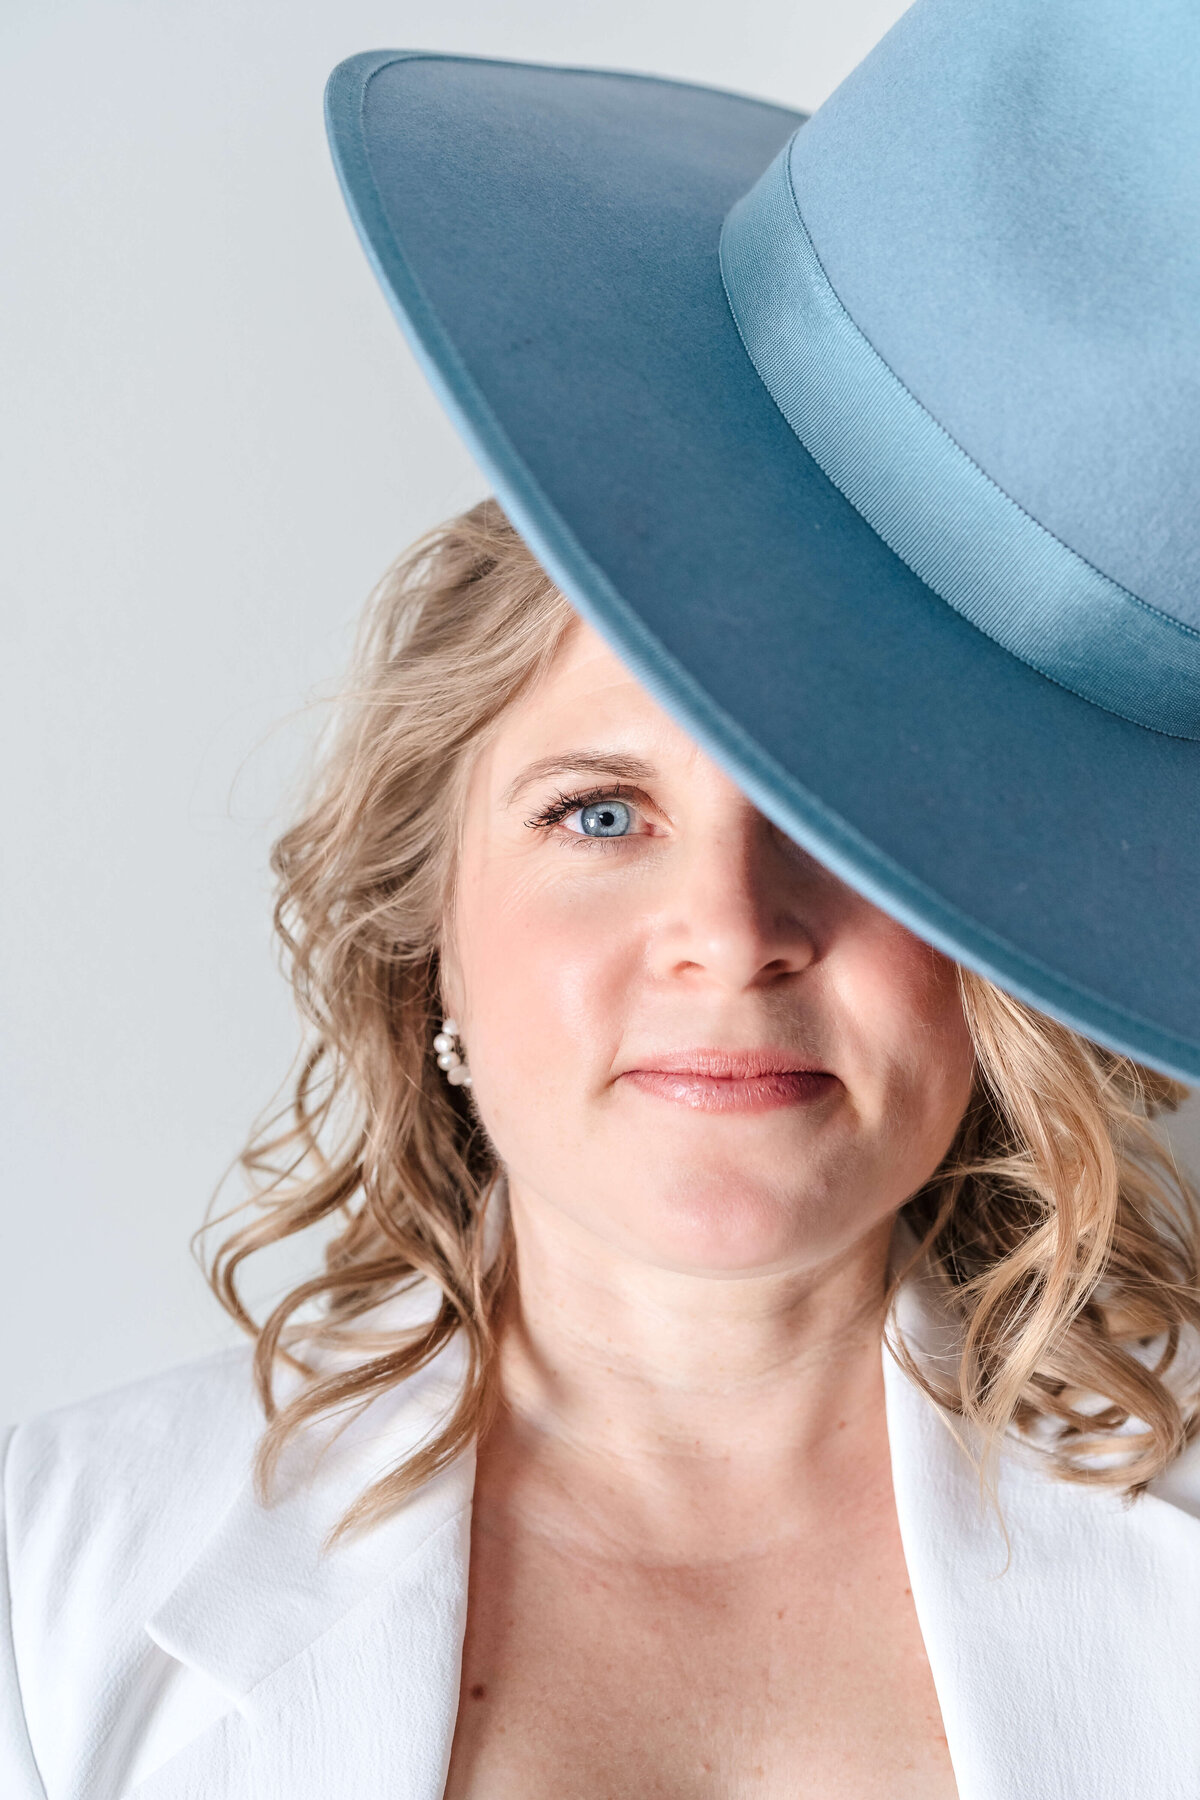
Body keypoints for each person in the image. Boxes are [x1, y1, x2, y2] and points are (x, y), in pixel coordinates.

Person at [6, 2, 1200, 1797]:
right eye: (596, 814)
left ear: (996, 951)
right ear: (428, 941)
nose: (731, 928)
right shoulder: (46, 1586)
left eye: (851, 818)